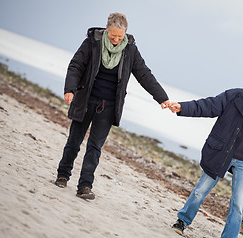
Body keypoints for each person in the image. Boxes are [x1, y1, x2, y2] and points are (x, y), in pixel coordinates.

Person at [54, 12, 170, 200]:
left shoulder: (130, 49)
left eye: (120, 36)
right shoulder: (92, 42)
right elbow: (76, 66)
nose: (116, 40)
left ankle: (84, 186)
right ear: (106, 29)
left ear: (125, 33)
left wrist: (162, 98)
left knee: (95, 147)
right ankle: (62, 174)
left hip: (108, 106)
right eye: (113, 35)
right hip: (85, 100)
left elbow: (144, 75)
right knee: (74, 141)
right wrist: (70, 89)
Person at [169, 65, 243, 238]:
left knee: (237, 205)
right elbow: (209, 106)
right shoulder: (236, 96)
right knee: (200, 190)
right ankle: (183, 221)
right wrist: (182, 107)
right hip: (222, 153)